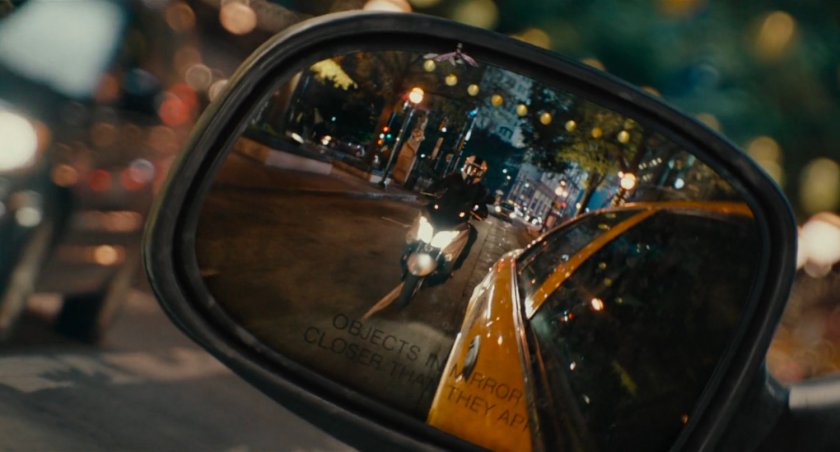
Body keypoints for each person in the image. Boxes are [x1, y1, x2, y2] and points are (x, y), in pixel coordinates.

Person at [424, 155, 492, 272]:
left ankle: (455, 265)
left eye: (476, 170)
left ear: (481, 174)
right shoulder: (454, 177)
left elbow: (482, 204)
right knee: (423, 214)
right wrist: (429, 191)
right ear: (465, 166)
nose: (472, 172)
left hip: (458, 220)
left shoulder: (480, 190)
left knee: (472, 235)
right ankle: (411, 240)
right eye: (471, 168)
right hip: (440, 211)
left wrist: (481, 212)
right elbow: (439, 184)